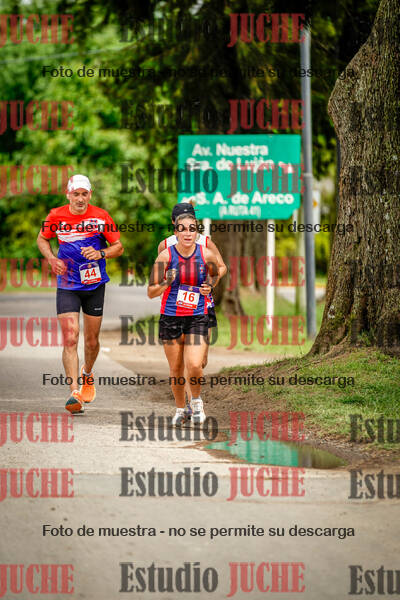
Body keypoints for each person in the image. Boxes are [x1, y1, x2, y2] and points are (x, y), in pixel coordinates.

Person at [37, 174, 124, 414]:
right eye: (76, 194)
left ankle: (87, 373)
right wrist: (51, 258)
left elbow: (118, 247)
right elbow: (42, 239)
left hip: (94, 285)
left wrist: (101, 254)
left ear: (90, 195)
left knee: (91, 341)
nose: (80, 198)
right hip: (67, 284)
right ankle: (74, 393)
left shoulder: (101, 216)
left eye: (84, 194)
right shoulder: (56, 216)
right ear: (68, 195)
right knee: (71, 337)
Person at [148, 212, 219, 426]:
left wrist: (209, 286)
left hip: (197, 316)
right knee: (176, 368)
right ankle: (180, 409)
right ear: (176, 232)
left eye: (192, 229)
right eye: (183, 229)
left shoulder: (206, 254)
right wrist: (166, 283)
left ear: (196, 232)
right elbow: (151, 292)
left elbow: (215, 275)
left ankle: (196, 402)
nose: (187, 233)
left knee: (195, 364)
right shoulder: (165, 257)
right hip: (170, 317)